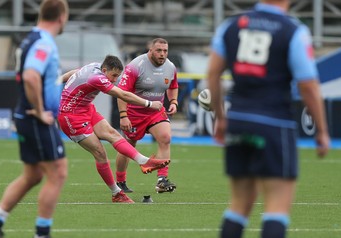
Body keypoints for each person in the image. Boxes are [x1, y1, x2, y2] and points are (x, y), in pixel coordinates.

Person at [206, 1, 330, 237]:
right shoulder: (293, 30)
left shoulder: (231, 26)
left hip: (239, 119)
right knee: (276, 207)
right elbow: (308, 85)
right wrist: (322, 130)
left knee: (238, 205)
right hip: (275, 123)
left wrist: (221, 118)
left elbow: (213, 74)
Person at [0, 1, 69, 238]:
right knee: (58, 173)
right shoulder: (43, 42)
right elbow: (30, 76)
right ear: (61, 17)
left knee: (33, 175)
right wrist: (39, 110)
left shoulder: (31, 37)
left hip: (24, 115)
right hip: (36, 118)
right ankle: (42, 233)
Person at [57, 55, 171, 203]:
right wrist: (149, 104)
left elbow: (73, 73)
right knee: (100, 152)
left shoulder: (95, 66)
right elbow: (122, 94)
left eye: (118, 76)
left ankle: (144, 161)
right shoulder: (97, 78)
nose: (115, 79)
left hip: (86, 109)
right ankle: (116, 193)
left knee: (113, 134)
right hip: (70, 116)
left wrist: (55, 82)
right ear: (105, 70)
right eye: (114, 75)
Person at [115, 38, 179, 193]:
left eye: (165, 51)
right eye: (158, 50)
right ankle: (120, 181)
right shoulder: (135, 66)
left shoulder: (170, 67)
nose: (162, 54)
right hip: (134, 113)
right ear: (150, 50)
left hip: (155, 112)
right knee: (129, 146)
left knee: (165, 137)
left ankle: (161, 180)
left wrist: (174, 101)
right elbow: (122, 93)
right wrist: (123, 116)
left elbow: (173, 86)